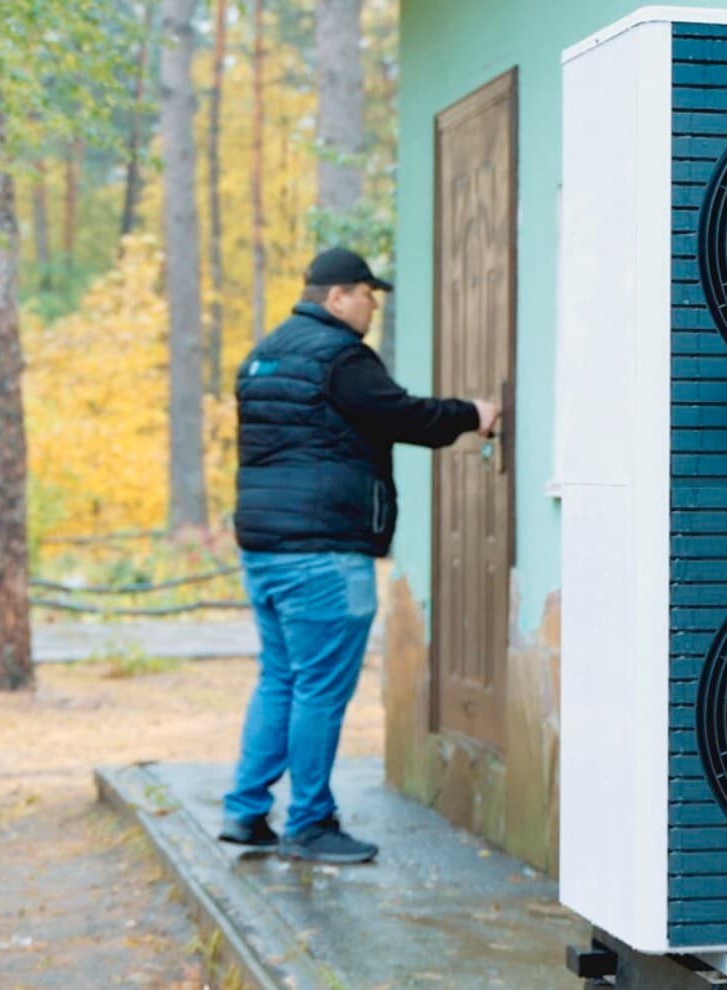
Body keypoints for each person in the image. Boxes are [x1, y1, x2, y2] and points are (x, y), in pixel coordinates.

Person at [219, 247, 498, 864]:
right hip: (324, 554)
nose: (373, 304)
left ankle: (244, 811)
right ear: (338, 296)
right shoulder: (340, 357)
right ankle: (311, 823)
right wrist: (473, 414)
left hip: (266, 550)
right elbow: (403, 415)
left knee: (281, 680)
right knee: (318, 688)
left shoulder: (262, 356)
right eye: (368, 293)